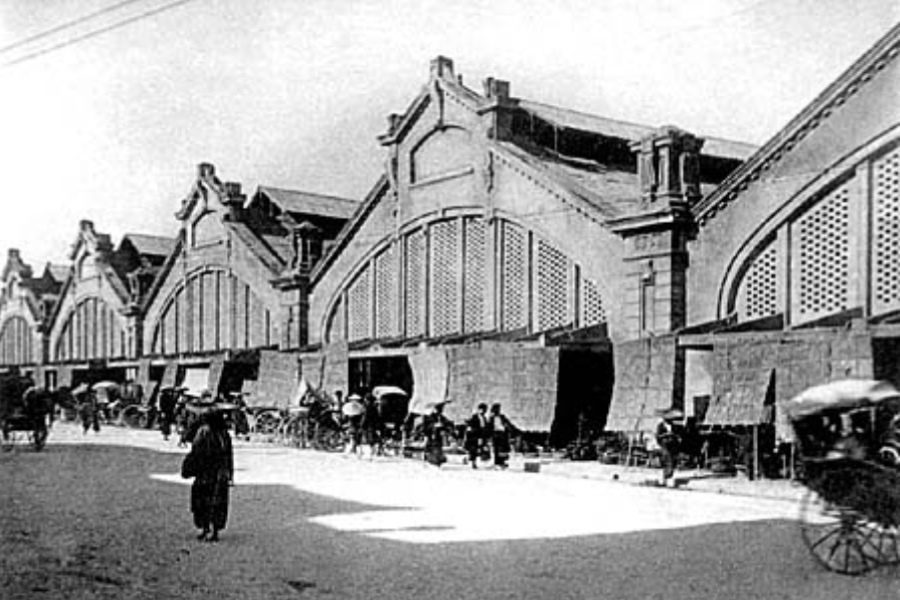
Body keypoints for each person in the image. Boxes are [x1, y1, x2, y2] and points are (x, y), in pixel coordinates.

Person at [186, 408, 234, 542]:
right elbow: (229, 455)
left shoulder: (204, 432)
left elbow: (196, 451)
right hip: (220, 474)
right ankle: (215, 532)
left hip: (205, 473)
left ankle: (206, 529)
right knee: (217, 503)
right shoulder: (224, 434)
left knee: (203, 502)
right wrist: (230, 473)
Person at [488, 403, 519, 469]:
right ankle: (497, 462)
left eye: (498, 409)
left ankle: (502, 462)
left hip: (503, 434)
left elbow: (509, 424)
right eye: (496, 409)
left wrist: (515, 430)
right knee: (496, 449)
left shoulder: (502, 417)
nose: (498, 411)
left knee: (503, 449)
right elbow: (489, 428)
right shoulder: (491, 418)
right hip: (496, 434)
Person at [655, 416, 680, 486]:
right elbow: (658, 436)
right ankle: (666, 477)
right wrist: (665, 436)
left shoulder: (673, 426)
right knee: (666, 460)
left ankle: (668, 477)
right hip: (664, 445)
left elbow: (677, 434)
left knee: (672, 460)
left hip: (672, 445)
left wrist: (675, 437)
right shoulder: (661, 426)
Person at [464, 403, 489, 469]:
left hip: (481, 435)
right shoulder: (474, 417)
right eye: (482, 409)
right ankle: (473, 463)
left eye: (485, 410)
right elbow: (470, 425)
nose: (483, 411)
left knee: (480, 449)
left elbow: (485, 427)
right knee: (473, 450)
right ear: (479, 409)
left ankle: (469, 459)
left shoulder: (484, 418)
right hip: (474, 436)